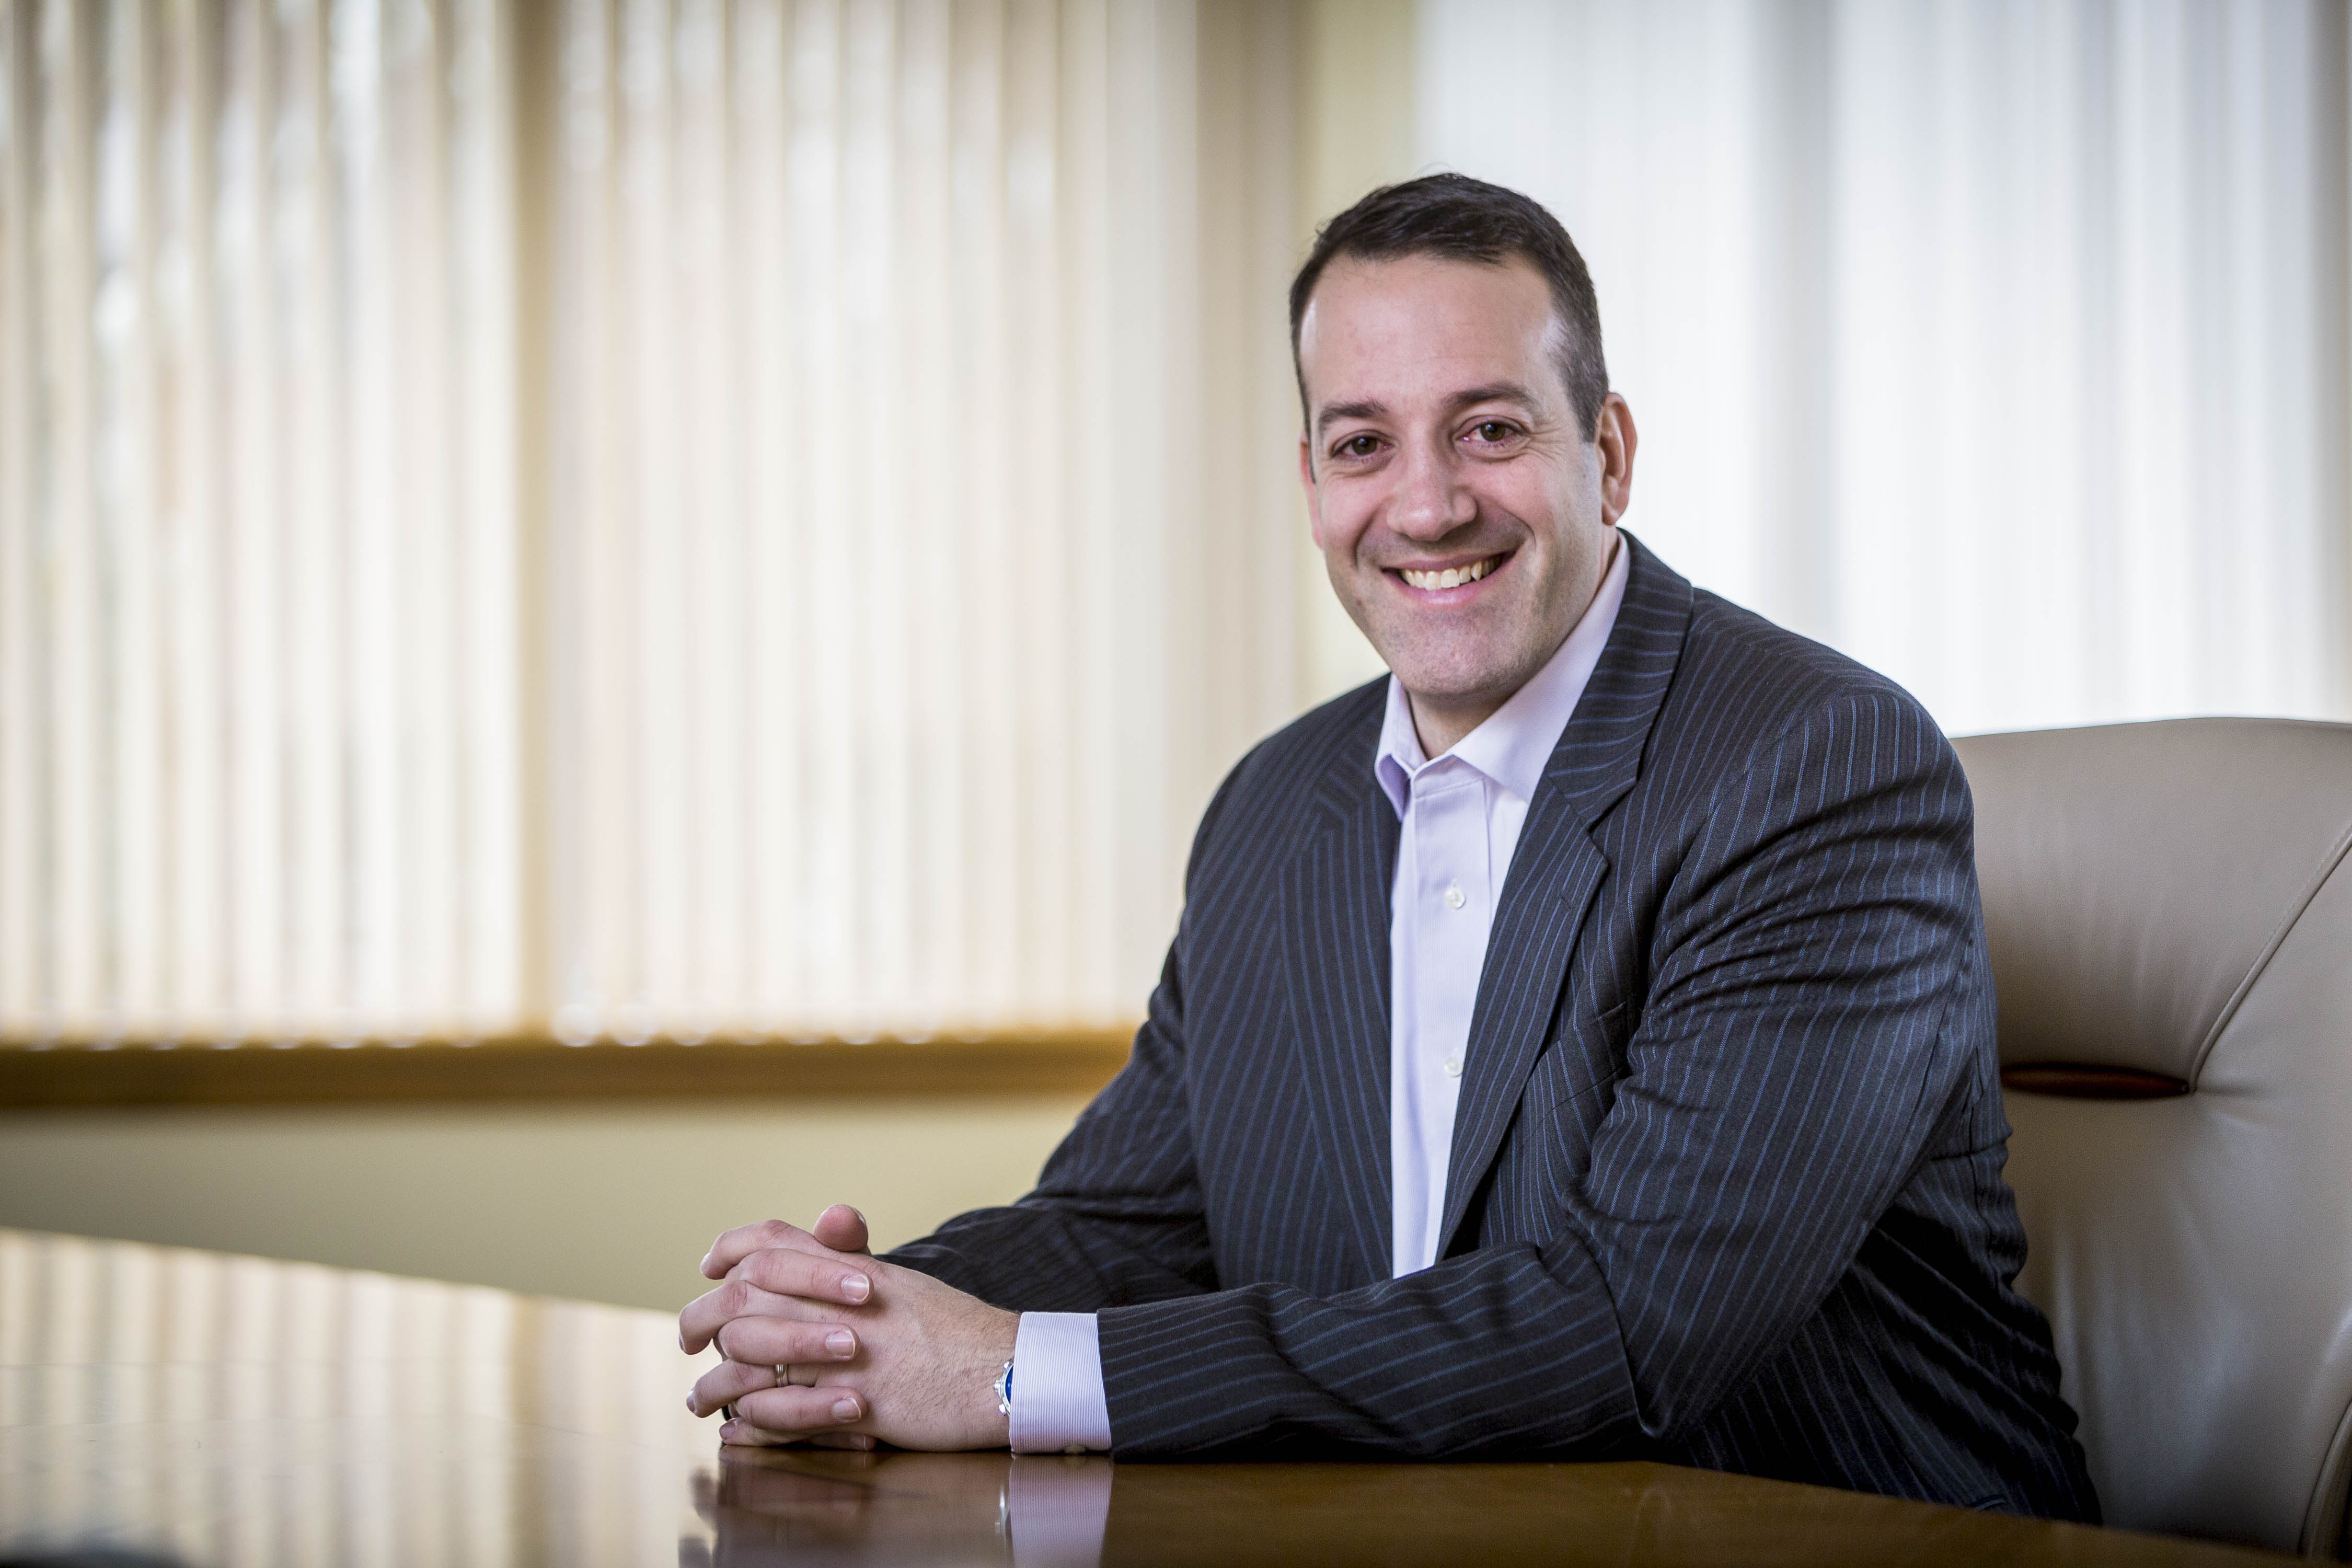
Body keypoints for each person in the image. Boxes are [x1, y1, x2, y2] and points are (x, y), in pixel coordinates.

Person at [676, 174, 2099, 1520]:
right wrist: (847, 1320)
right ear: (1312, 485)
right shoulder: (1277, 805)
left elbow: (1630, 1327)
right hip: (1418, 1528)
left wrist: (1002, 1375)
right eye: (1364, 444)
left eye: (1489, 430)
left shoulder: (1813, 767)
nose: (1426, 507)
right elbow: (1135, 1222)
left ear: (1605, 454)